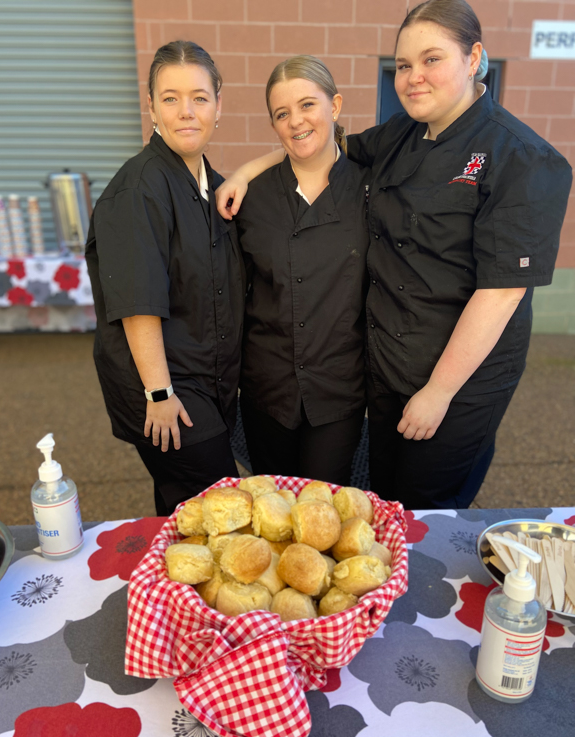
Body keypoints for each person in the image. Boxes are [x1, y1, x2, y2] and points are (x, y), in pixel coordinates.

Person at [216, 0, 572, 510]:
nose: (413, 77)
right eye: (404, 65)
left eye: (431, 59)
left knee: (427, 509)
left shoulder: (522, 157)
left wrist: (439, 392)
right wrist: (247, 171)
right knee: (383, 502)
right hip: (388, 372)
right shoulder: (402, 133)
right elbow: (319, 143)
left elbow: (501, 294)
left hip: (457, 381)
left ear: (474, 58)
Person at [86, 40, 244, 516]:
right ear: (152, 107)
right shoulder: (139, 188)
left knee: (183, 507)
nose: (186, 111)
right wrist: (159, 393)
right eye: (170, 98)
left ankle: (171, 566)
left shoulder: (213, 186)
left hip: (206, 378)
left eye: (199, 97)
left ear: (218, 105)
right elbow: (138, 302)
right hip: (163, 385)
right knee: (226, 505)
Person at [234, 56, 370, 485]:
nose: (296, 121)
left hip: (338, 388)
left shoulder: (371, 190)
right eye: (281, 113)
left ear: (335, 105)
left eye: (307, 104)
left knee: (325, 507)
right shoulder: (250, 197)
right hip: (267, 387)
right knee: (271, 504)